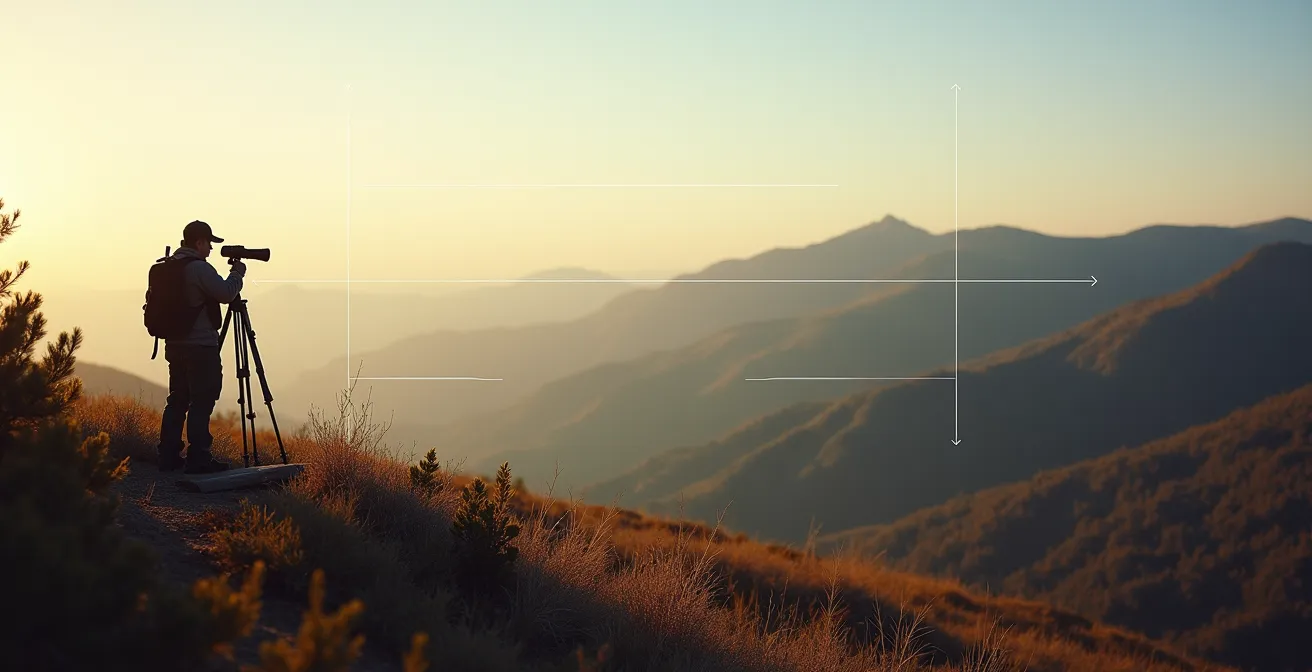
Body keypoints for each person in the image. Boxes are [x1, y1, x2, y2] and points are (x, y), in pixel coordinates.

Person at [156, 220, 246, 473]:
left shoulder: (170, 266)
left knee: (177, 399)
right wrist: (237, 273)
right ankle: (198, 458)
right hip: (200, 347)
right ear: (198, 242)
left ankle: (168, 455)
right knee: (202, 399)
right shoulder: (198, 269)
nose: (210, 250)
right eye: (208, 244)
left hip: (174, 344)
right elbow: (226, 294)